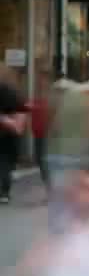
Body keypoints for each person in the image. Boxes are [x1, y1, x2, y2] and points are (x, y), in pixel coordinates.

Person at [0, 66, 26, 204]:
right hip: (10, 133)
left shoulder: (10, 92)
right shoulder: (15, 93)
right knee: (6, 163)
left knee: (4, 162)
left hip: (7, 130)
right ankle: (4, 192)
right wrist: (17, 126)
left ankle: (4, 191)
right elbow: (22, 111)